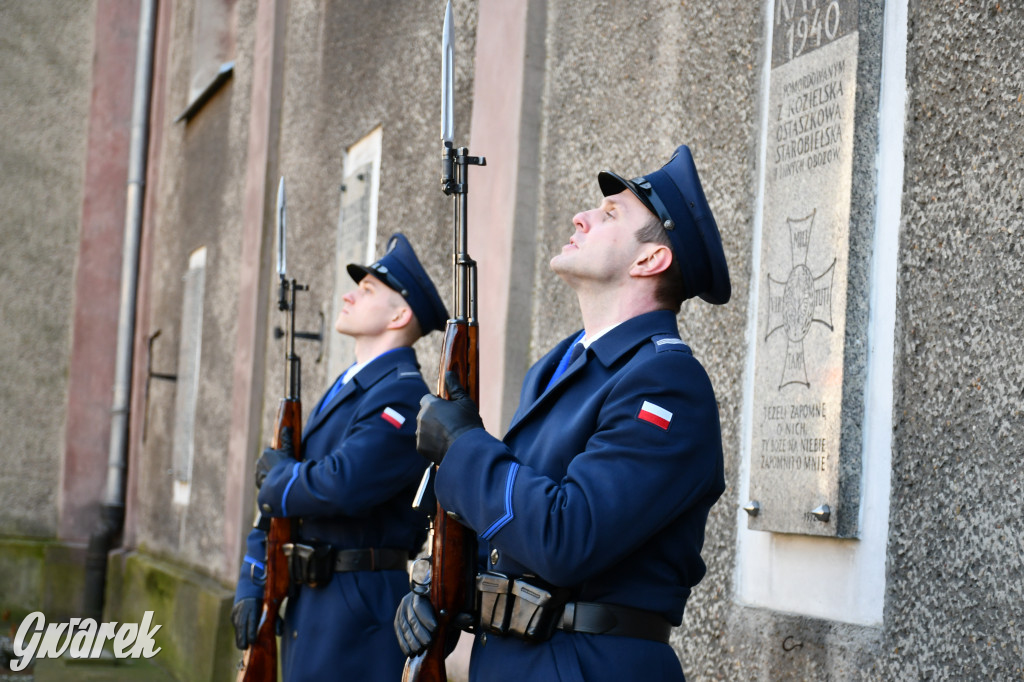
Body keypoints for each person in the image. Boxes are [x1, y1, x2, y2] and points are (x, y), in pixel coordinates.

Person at [396, 145, 730, 681]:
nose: (583, 216)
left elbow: (566, 537)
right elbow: (515, 534)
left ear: (650, 259)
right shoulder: (560, 367)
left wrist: (463, 448)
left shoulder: (667, 384)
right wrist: (438, 583)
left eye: (611, 213)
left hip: (587, 665)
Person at [233, 233, 448, 681]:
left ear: (400, 314)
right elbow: (277, 505)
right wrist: (253, 580)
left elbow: (343, 483)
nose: (349, 294)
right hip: (312, 600)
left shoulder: (403, 396)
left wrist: (280, 478)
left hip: (354, 607)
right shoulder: (350, 387)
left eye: (368, 290)